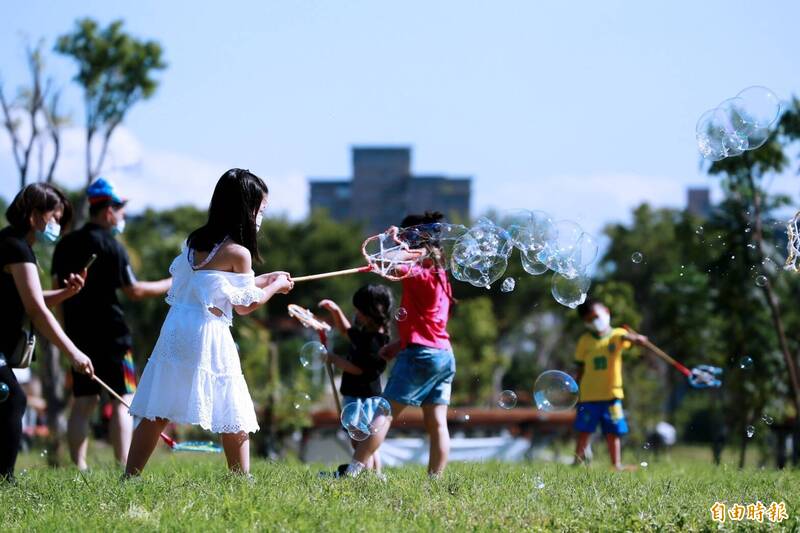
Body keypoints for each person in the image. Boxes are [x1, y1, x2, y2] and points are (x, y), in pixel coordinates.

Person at [125, 168, 293, 477]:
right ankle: (241, 480)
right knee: (233, 409)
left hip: (177, 328)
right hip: (208, 332)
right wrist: (275, 287)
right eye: (260, 209)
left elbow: (217, 287)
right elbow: (246, 305)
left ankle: (130, 476)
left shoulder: (194, 240)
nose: (261, 217)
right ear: (247, 208)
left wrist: (266, 279)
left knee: (159, 408)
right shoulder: (238, 252)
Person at [52, 177, 172, 470]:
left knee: (83, 402)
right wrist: (173, 283)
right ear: (108, 211)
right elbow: (135, 291)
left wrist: (65, 334)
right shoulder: (114, 247)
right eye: (120, 211)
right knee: (123, 400)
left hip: (78, 336)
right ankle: (123, 465)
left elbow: (56, 289)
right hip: (116, 338)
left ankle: (79, 467)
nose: (122, 218)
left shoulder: (65, 244)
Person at [341, 211, 456, 479]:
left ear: (415, 241)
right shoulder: (441, 279)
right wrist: (399, 343)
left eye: (408, 238)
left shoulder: (419, 273)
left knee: (385, 411)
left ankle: (353, 471)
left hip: (421, 355)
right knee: (437, 422)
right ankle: (434, 480)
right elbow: (430, 324)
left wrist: (394, 241)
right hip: (443, 356)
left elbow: (383, 261)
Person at [0, 183, 94, 482]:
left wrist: (65, 293)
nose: (56, 224)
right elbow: (37, 310)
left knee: (11, 400)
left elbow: (31, 299)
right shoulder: (15, 246)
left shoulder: (15, 243)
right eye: (54, 216)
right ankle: (5, 479)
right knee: (13, 400)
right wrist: (73, 352)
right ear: (34, 214)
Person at [318, 284, 393, 474]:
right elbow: (347, 331)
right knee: (367, 442)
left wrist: (334, 359)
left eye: (358, 309)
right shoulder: (370, 333)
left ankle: (363, 474)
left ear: (370, 311)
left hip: (361, 397)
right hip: (364, 396)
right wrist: (335, 311)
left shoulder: (375, 340)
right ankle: (374, 475)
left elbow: (359, 369)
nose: (356, 313)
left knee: (359, 440)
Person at [572, 298, 647, 470]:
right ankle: (577, 462)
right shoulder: (584, 340)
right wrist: (574, 387)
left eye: (596, 316)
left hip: (611, 395)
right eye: (589, 320)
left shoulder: (616, 335)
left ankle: (616, 464)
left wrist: (638, 339)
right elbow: (580, 367)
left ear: (606, 311)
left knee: (613, 431)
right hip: (589, 395)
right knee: (585, 430)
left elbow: (627, 337)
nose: (594, 322)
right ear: (585, 323)